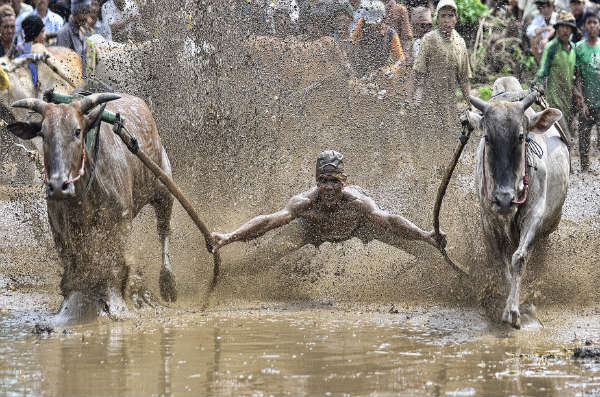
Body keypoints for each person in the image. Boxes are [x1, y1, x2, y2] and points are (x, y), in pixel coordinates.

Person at [210, 150, 446, 256]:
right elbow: (270, 221)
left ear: (344, 182)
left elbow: (389, 220)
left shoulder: (357, 202)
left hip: (359, 227)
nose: (329, 188)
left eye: (335, 182)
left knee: (420, 247)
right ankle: (232, 274)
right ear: (316, 181)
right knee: (262, 260)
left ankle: (435, 256)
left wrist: (425, 235)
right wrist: (229, 237)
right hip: (312, 230)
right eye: (324, 181)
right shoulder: (304, 204)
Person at [412, 0, 472, 119]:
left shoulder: (460, 43)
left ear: (456, 19)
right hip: (428, 101)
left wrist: (471, 105)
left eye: (450, 16)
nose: (446, 20)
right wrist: (412, 100)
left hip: (450, 103)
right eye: (443, 16)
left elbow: (464, 79)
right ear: (437, 19)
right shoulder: (429, 40)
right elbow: (418, 73)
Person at [536, 10, 577, 140]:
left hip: (570, 102)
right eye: (562, 27)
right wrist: (538, 87)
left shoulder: (574, 48)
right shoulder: (552, 47)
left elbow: (576, 74)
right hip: (555, 102)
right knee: (567, 138)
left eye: (568, 27)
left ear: (572, 30)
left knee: (568, 140)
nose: (565, 30)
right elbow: (542, 71)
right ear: (557, 29)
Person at [350, 0, 406, 76]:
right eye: (370, 22)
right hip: (360, 68)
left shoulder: (391, 34)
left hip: (380, 72)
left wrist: (392, 70)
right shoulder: (362, 24)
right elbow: (351, 44)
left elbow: (401, 59)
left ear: (383, 18)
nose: (372, 26)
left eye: (375, 23)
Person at [574, 11, 600, 172]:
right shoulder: (579, 48)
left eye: (595, 22)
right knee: (583, 136)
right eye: (589, 22)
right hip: (587, 101)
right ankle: (585, 168)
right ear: (584, 26)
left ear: (599, 25)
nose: (592, 26)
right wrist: (580, 99)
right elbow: (576, 77)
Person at [57, 0, 93, 67]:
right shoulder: (64, 33)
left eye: (87, 12)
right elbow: (62, 63)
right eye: (83, 13)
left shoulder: (84, 31)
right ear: (75, 13)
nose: (85, 17)